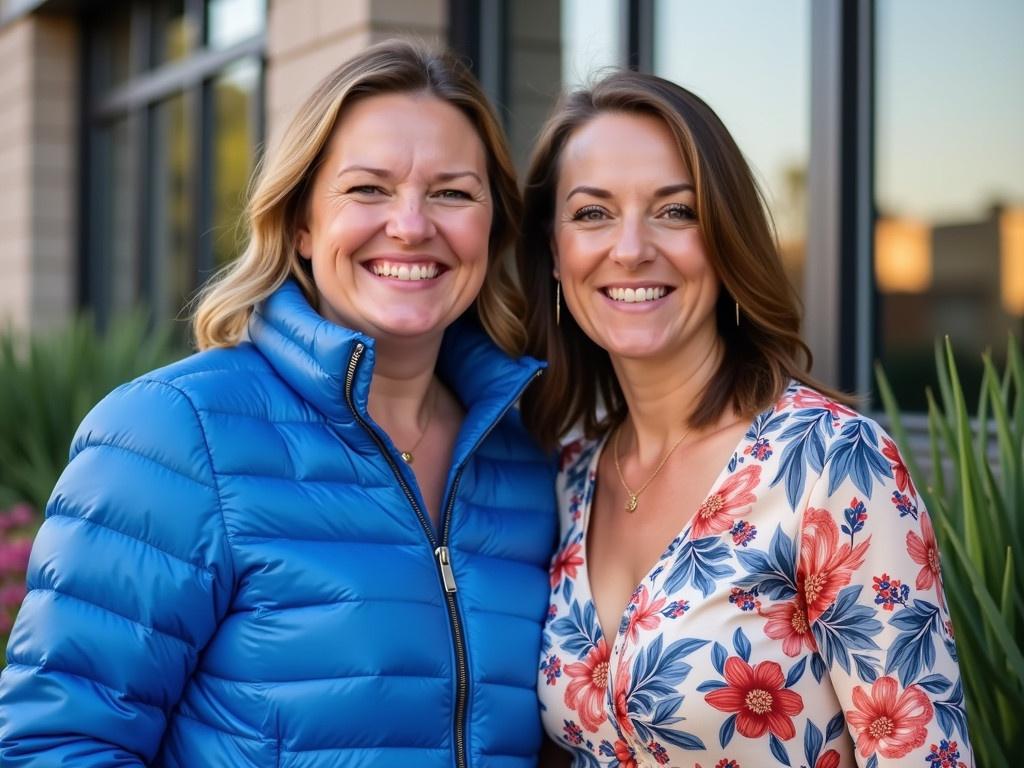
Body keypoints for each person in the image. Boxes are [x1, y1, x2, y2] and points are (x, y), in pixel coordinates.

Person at [0, 40, 557, 767]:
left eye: (453, 192)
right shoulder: (175, 434)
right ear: (300, 223)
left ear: (492, 227)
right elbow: (58, 744)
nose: (412, 226)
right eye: (368, 189)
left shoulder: (529, 459)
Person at [520, 71, 972, 768]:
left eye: (676, 211)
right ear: (554, 253)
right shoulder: (571, 476)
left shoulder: (832, 464)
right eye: (592, 213)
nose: (632, 247)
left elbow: (922, 755)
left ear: (725, 238)